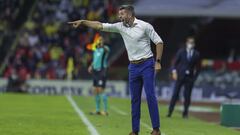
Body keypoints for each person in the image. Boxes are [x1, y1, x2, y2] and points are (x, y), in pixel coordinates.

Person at [68, 5, 164, 135]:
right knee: (134, 99)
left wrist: (157, 62)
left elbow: (159, 42)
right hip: (133, 67)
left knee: (150, 96)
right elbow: (99, 25)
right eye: (119, 15)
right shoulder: (120, 26)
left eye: (122, 14)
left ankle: (156, 129)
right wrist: (83, 22)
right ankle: (135, 131)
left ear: (130, 14)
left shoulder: (145, 26)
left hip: (147, 64)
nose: (119, 17)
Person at [167, 36, 201, 118]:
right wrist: (174, 72)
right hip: (180, 76)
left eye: (192, 42)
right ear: (186, 43)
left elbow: (199, 68)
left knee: (187, 95)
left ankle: (185, 113)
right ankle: (170, 112)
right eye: (189, 42)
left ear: (194, 44)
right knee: (175, 94)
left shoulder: (196, 54)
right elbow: (174, 63)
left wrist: (194, 78)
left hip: (189, 78)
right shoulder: (181, 52)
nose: (190, 44)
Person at [88, 35, 110, 116]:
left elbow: (107, 50)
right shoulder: (96, 50)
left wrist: (102, 45)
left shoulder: (105, 49)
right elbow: (95, 60)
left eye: (101, 40)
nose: (100, 41)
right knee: (95, 90)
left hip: (102, 71)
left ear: (103, 41)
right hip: (95, 71)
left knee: (100, 89)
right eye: (99, 40)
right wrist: (91, 66)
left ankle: (105, 110)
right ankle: (97, 110)